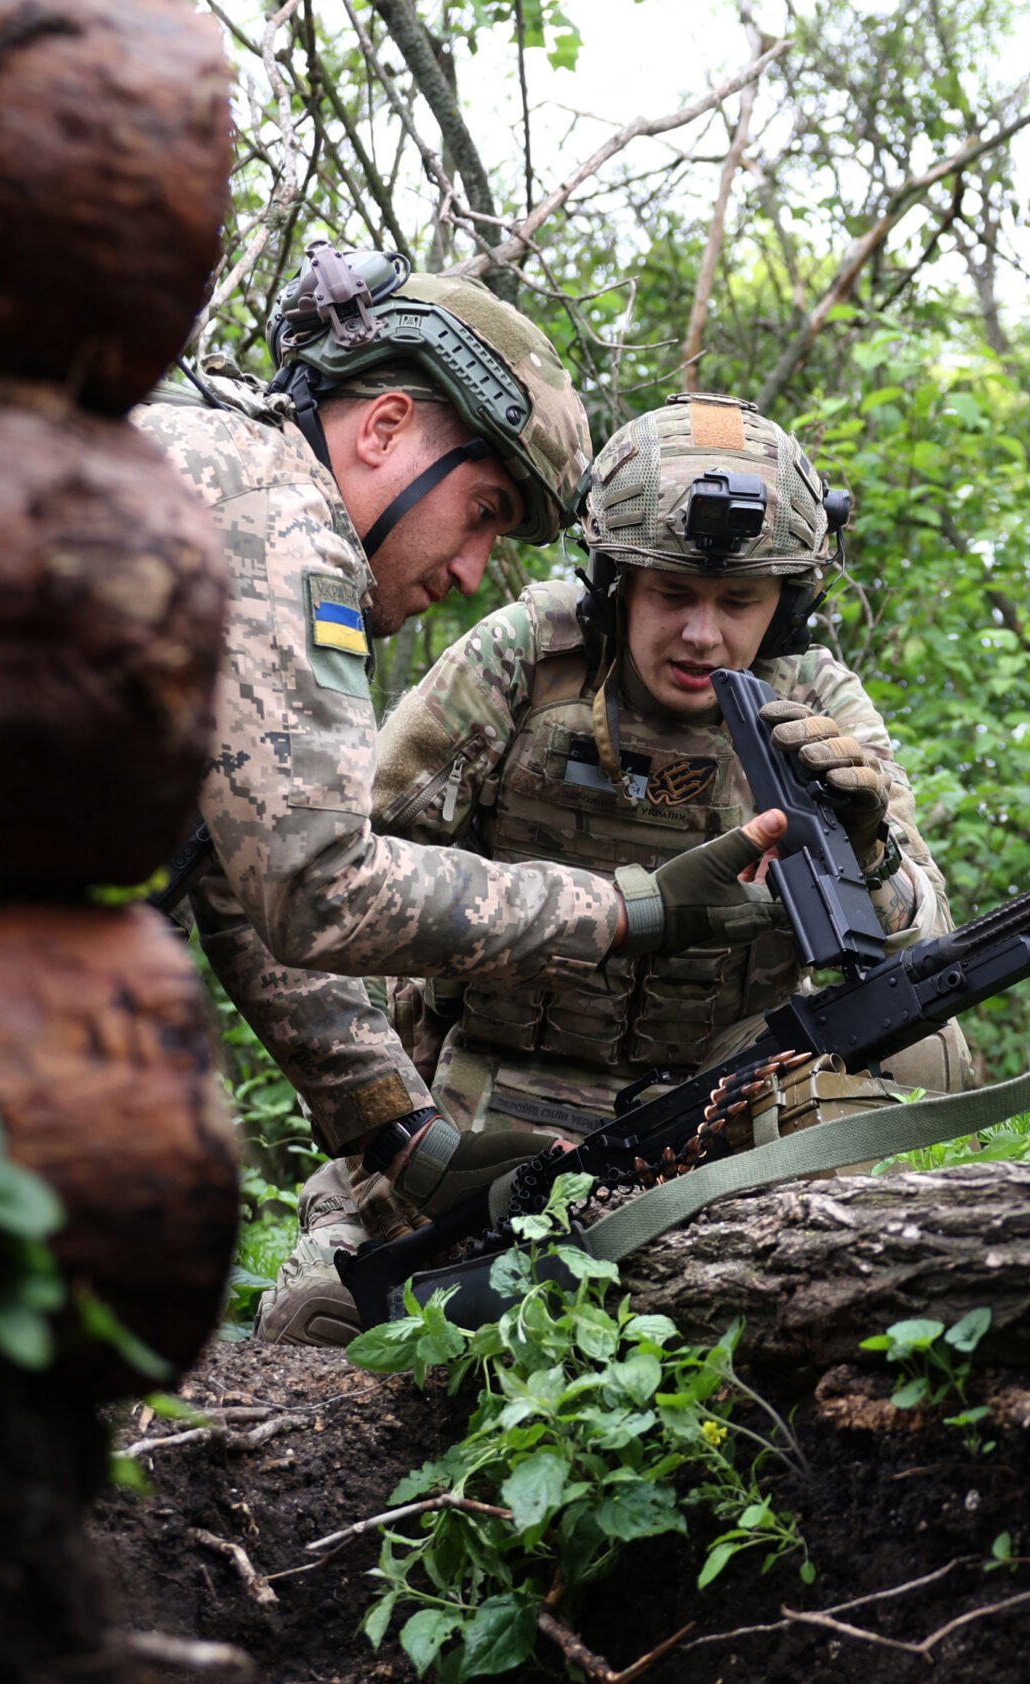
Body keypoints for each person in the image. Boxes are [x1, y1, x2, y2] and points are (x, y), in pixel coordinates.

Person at [255, 393, 972, 1343]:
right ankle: (352, 1210)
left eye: (739, 601)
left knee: (908, 1110)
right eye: (673, 592)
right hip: (494, 1093)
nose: (703, 634)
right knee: (341, 1317)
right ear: (617, 581)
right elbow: (343, 873)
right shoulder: (527, 662)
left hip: (719, 1100)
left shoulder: (818, 705)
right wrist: (395, 1128)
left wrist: (870, 849)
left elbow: (923, 947)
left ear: (786, 604)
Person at [134, 245, 791, 1231]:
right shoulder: (284, 524)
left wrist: (397, 1131)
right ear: (387, 425)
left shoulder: (212, 468)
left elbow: (237, 871)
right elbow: (323, 888)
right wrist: (625, 907)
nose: (473, 572)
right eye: (482, 513)